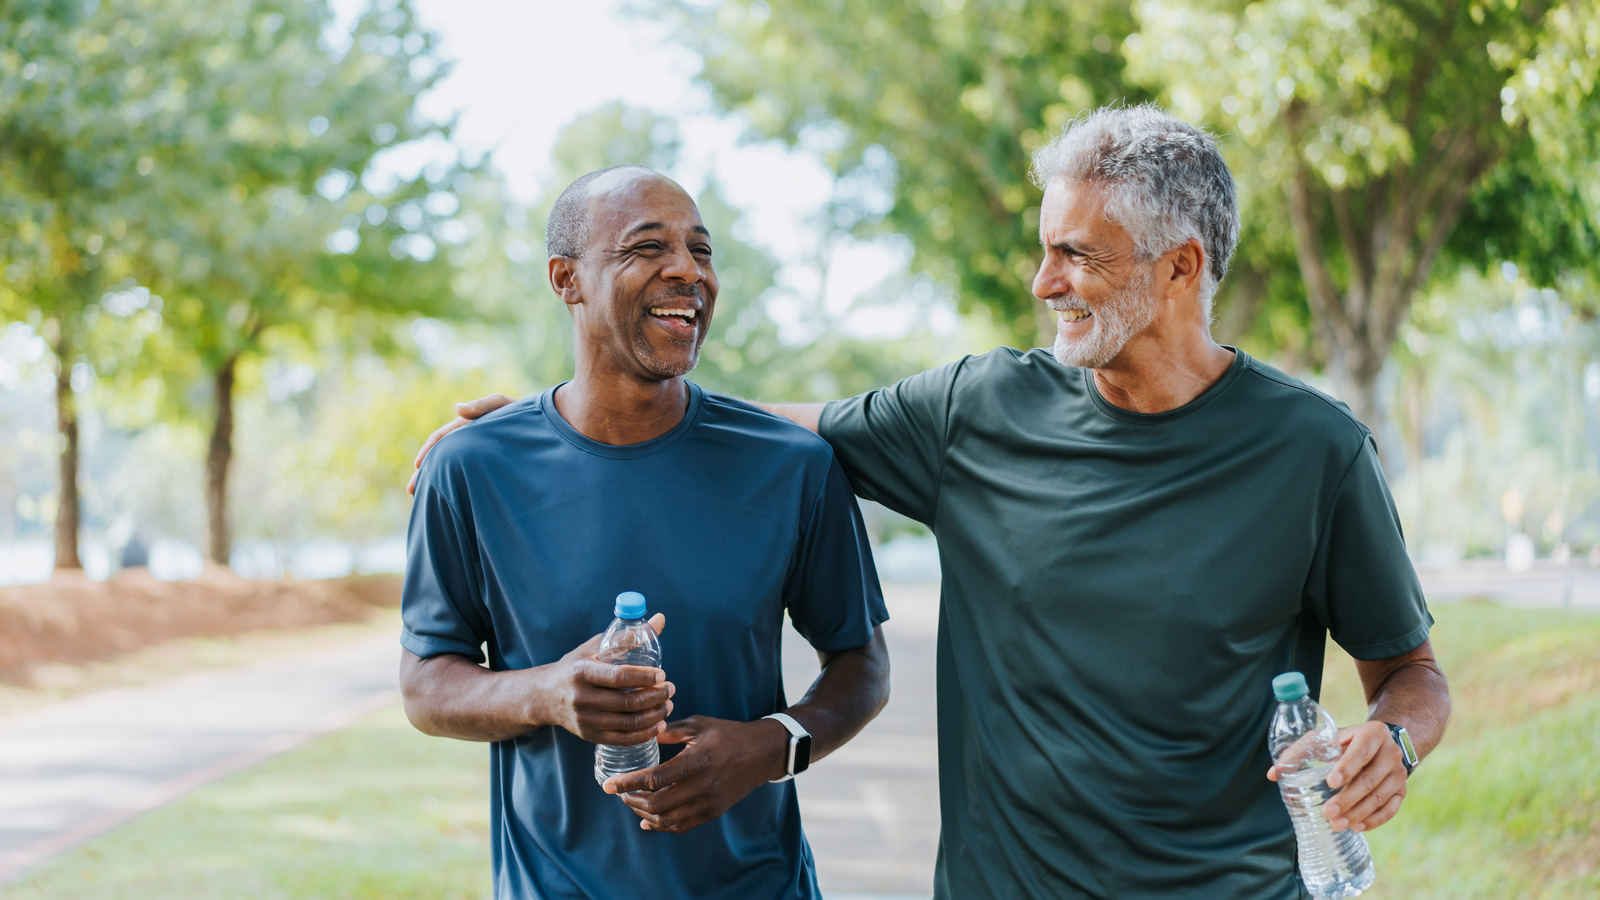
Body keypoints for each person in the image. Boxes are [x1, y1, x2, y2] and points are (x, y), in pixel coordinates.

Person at [412, 106, 1451, 900]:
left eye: (1075, 254)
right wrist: (549, 419)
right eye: (1044, 248)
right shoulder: (979, 410)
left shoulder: (1315, 452)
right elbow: (778, 427)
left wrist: (1390, 742)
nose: (1043, 282)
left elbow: (1409, 674)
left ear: (1179, 268)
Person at [400, 166, 891, 900]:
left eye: (701, 250)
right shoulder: (472, 468)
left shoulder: (792, 467)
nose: (687, 272)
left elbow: (863, 665)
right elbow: (426, 685)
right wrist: (547, 693)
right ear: (566, 279)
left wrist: (769, 748)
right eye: (646, 248)